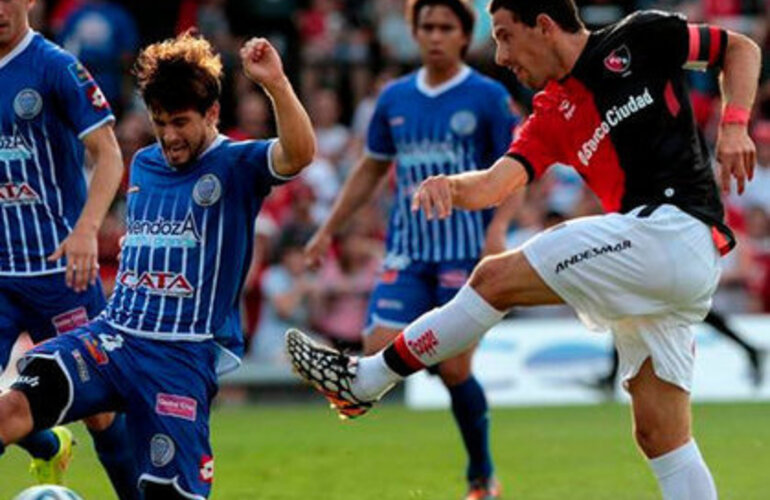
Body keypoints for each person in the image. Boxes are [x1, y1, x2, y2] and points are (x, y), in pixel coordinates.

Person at [287, 1, 760, 499]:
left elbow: (741, 49)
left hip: (674, 232)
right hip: (656, 263)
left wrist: (733, 125)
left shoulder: (641, 36)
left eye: (506, 36)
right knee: (661, 437)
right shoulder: (552, 111)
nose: (501, 54)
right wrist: (451, 185)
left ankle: (367, 380)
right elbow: (495, 183)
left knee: (493, 279)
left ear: (545, 26)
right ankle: (367, 382)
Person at [0, 31, 315, 499]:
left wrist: (277, 85)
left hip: (179, 357)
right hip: (115, 337)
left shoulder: (235, 164)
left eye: (181, 122)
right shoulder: (145, 163)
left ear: (212, 113)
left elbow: (298, 153)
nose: (169, 136)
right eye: (160, 121)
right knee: (10, 413)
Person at [303, 1, 518, 497]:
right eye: (427, 27)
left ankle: (482, 475)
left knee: (455, 367)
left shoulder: (486, 96)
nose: (436, 36)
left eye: (446, 27)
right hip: (407, 250)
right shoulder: (395, 98)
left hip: (465, 252)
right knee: (378, 350)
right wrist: (327, 230)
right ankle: (353, 389)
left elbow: (516, 169)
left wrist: (500, 226)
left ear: (464, 36)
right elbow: (370, 170)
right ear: (415, 34)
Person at [0, 0, 135, 494]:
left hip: (61, 273)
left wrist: (85, 229)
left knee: (101, 412)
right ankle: (46, 446)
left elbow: (109, 154)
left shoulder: (56, 66)